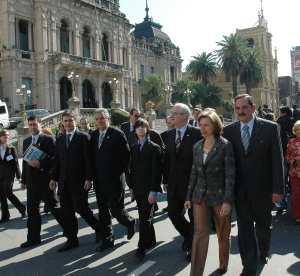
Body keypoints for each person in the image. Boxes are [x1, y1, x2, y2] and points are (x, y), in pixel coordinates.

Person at [223, 94, 284, 276]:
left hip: (264, 191)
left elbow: (277, 160)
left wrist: (278, 189)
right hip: (240, 192)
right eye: (237, 108)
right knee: (244, 230)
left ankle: (264, 250)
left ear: (253, 107)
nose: (240, 111)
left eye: (244, 107)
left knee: (263, 227)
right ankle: (249, 266)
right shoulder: (229, 131)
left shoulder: (270, 128)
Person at [184, 111, 235, 276]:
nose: (203, 128)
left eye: (207, 125)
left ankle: (223, 265)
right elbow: (194, 172)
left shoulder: (225, 145)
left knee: (223, 233)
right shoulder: (197, 146)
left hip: (220, 197)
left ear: (215, 125)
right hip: (200, 196)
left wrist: (227, 201)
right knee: (199, 234)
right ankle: (195, 273)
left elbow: (230, 174)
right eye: (201, 125)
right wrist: (188, 197)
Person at [50, 111, 101, 252]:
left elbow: (88, 160)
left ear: (75, 121)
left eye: (70, 120)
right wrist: (54, 178)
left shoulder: (84, 137)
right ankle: (72, 240)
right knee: (67, 212)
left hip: (79, 181)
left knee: (82, 209)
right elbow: (57, 161)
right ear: (62, 123)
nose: (68, 123)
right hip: (63, 182)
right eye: (65, 121)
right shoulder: (60, 139)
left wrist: (88, 178)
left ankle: (99, 229)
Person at [90, 108, 135, 252]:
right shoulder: (94, 135)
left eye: (102, 118)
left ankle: (129, 222)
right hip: (99, 180)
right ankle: (108, 239)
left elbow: (126, 157)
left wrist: (119, 173)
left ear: (108, 118)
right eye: (97, 119)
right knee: (103, 211)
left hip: (114, 180)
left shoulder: (117, 134)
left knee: (116, 209)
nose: (99, 121)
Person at [163, 103, 202, 261]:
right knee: (173, 214)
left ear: (185, 116)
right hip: (173, 184)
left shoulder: (198, 134)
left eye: (175, 113)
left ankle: (193, 249)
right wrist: (165, 180)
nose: (171, 116)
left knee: (194, 218)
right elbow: (167, 161)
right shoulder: (168, 135)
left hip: (192, 185)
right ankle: (188, 235)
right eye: (171, 113)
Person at [21, 116, 63, 248]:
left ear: (40, 124)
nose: (33, 127)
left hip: (45, 181)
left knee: (54, 208)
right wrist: (23, 180)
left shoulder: (48, 139)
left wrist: (41, 164)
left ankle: (69, 230)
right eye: (30, 124)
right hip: (32, 183)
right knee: (32, 211)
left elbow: (55, 159)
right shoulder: (26, 141)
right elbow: (25, 162)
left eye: (35, 124)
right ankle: (33, 238)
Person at [129, 118, 162, 260]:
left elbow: (157, 172)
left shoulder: (154, 147)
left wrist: (154, 191)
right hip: (138, 189)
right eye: (138, 127)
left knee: (144, 219)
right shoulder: (134, 148)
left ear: (147, 129)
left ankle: (141, 247)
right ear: (135, 130)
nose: (140, 129)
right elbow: (131, 170)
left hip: (150, 190)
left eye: (143, 127)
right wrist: (131, 187)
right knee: (144, 216)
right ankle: (151, 240)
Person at [0, 130, 26, 222]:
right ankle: (5, 216)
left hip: (9, 175)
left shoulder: (11, 148)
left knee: (8, 192)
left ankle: (21, 208)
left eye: (7, 136)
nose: (6, 138)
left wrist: (19, 176)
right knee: (2, 196)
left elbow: (15, 163)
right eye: (4, 136)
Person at [286, 120, 300, 222]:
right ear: (295, 131)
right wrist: (293, 161)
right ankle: (297, 216)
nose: (299, 131)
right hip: (295, 172)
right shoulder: (291, 142)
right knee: (296, 194)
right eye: (298, 130)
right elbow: (287, 156)